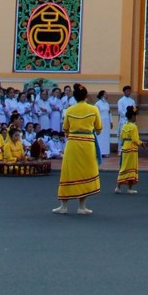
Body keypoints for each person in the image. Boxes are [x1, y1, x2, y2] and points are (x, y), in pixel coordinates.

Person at [54, 83, 102, 216]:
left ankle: (63, 206)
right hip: (87, 144)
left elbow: (65, 129)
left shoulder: (70, 110)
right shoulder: (94, 109)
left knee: (68, 172)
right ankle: (82, 206)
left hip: (73, 144)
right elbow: (99, 129)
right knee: (85, 173)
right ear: (86, 96)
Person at [115, 104, 140, 194]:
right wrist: (141, 143)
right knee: (131, 167)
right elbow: (135, 139)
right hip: (132, 148)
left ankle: (118, 187)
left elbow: (121, 137)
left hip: (124, 147)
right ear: (133, 116)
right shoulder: (134, 127)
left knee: (123, 166)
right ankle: (130, 188)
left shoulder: (124, 125)